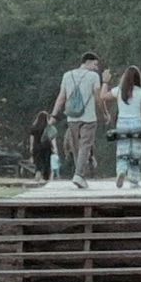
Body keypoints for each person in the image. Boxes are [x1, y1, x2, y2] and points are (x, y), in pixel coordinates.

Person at [48, 52, 103, 189]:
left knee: (77, 147)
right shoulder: (93, 76)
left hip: (72, 117)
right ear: (88, 62)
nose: (96, 68)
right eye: (95, 64)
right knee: (85, 145)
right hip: (89, 117)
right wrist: (104, 112)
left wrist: (54, 115)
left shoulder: (67, 75)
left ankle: (80, 175)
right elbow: (97, 97)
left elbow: (61, 97)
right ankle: (79, 175)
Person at [107, 65, 141, 189]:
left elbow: (103, 96)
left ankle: (121, 170)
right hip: (137, 124)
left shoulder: (118, 90)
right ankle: (134, 179)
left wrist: (104, 82)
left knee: (122, 150)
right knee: (135, 153)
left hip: (122, 123)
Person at [29, 109, 57, 183]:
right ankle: (46, 176)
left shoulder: (34, 127)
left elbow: (32, 138)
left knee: (38, 161)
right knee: (46, 162)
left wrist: (31, 147)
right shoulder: (48, 128)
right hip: (46, 147)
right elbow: (52, 138)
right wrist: (54, 148)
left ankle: (38, 172)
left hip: (37, 147)